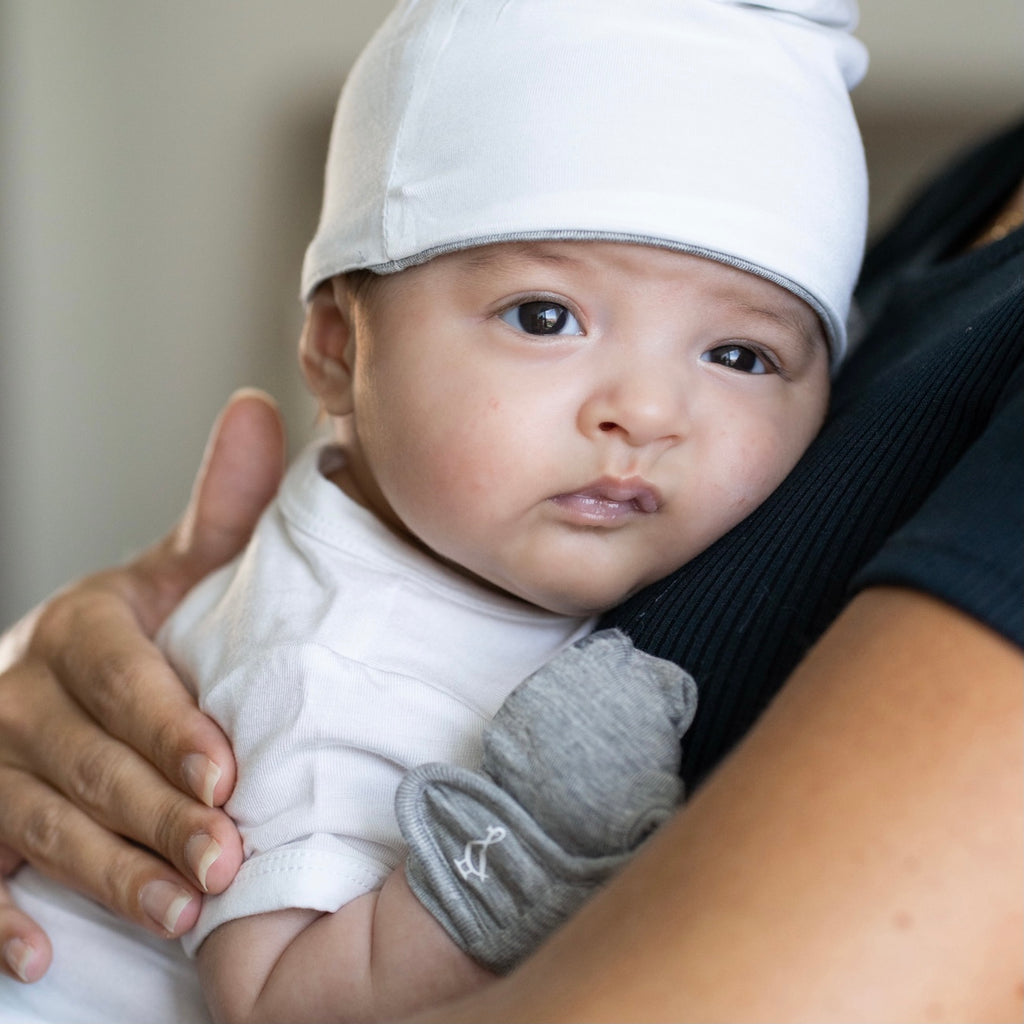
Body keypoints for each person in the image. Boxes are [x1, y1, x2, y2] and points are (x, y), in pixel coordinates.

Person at [0, 0, 871, 1021]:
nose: (644, 410)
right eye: (545, 317)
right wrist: (533, 837)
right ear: (337, 349)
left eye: (739, 354)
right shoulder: (334, 662)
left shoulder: (463, 530)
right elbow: (281, 996)